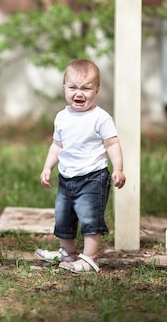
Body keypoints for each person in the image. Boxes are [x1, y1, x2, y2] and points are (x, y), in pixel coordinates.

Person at [35, 59, 126, 273]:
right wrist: (48, 167)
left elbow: (112, 143)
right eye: (73, 87)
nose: (79, 93)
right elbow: (57, 145)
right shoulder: (62, 117)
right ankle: (68, 253)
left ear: (97, 89)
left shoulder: (100, 117)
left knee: (90, 218)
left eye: (86, 88)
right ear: (64, 87)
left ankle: (89, 257)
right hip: (66, 178)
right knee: (63, 217)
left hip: (93, 177)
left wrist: (119, 168)